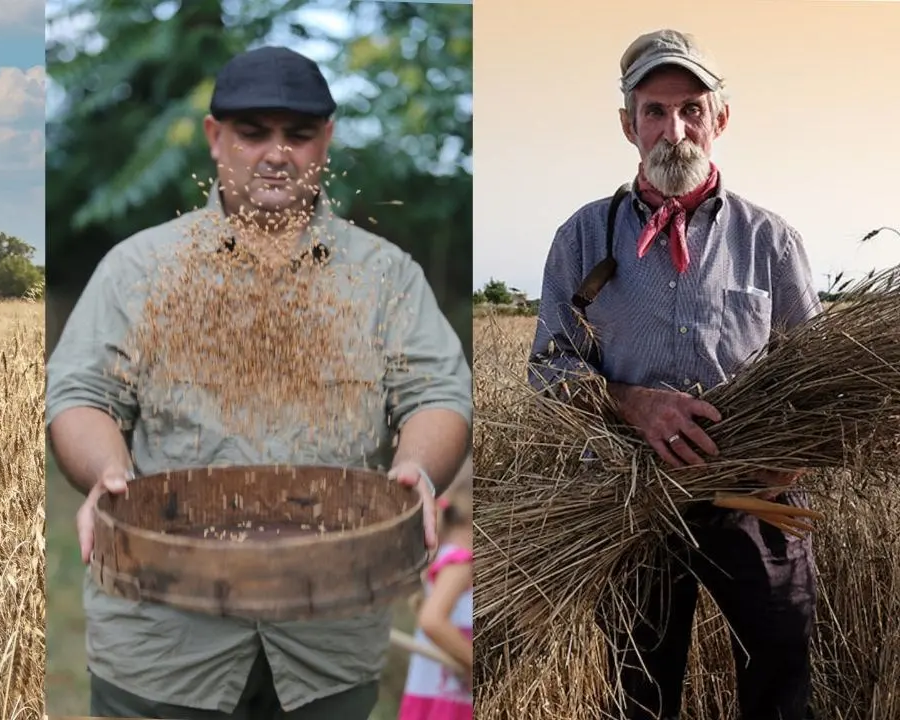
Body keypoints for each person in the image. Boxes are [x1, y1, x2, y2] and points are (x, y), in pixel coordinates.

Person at [47, 46, 472, 719]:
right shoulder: (142, 269)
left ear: (325, 140)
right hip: (165, 636)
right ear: (216, 137)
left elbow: (438, 395)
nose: (277, 153)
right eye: (253, 133)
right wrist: (107, 473)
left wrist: (418, 469)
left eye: (298, 135)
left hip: (327, 631)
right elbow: (82, 397)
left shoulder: (384, 276)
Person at [527, 29, 821, 720]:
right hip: (628, 506)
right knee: (640, 697)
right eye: (654, 111)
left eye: (691, 108)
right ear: (628, 124)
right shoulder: (581, 236)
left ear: (720, 118)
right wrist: (630, 403)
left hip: (756, 504)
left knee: (781, 690)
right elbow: (549, 369)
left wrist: (791, 457)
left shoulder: (770, 240)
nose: (674, 129)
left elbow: (814, 375)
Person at [398, 455, 473, 720]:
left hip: (439, 699)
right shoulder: (461, 562)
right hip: (446, 704)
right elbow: (432, 620)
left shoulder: (453, 556)